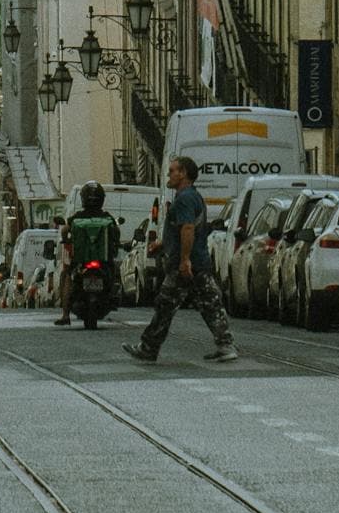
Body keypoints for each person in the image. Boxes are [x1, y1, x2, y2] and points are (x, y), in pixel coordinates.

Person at [126, 157, 237, 366]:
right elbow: (187, 229)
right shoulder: (194, 196)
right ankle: (225, 345)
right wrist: (164, 243)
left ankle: (149, 348)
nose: (168, 175)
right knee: (210, 303)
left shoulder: (184, 198)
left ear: (183, 173)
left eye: (172, 171)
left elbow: (188, 228)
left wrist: (184, 260)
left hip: (184, 265)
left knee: (165, 305)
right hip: (198, 261)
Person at [55, 180, 122, 328]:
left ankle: (65, 314)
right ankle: (112, 295)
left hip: (81, 260)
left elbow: (65, 230)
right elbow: (116, 233)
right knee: (114, 270)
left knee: (66, 275)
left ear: (83, 198)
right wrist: (116, 242)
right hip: (103, 261)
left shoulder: (78, 217)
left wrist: (66, 240)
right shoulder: (107, 217)